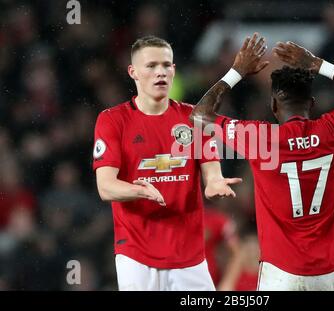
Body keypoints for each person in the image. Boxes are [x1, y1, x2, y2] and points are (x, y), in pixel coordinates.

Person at [190, 33, 334, 290]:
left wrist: (237, 71)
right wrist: (317, 64)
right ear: (312, 104)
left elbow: (200, 115)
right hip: (329, 273)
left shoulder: (260, 138)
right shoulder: (333, 130)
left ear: (273, 106)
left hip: (281, 273)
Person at [92, 35, 242, 291]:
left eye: (166, 65)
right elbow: (106, 187)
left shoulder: (196, 118)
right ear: (133, 72)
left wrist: (215, 185)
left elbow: (212, 175)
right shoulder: (113, 120)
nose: (160, 72)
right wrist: (140, 190)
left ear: (173, 70)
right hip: (136, 254)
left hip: (189, 255)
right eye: (151, 66)